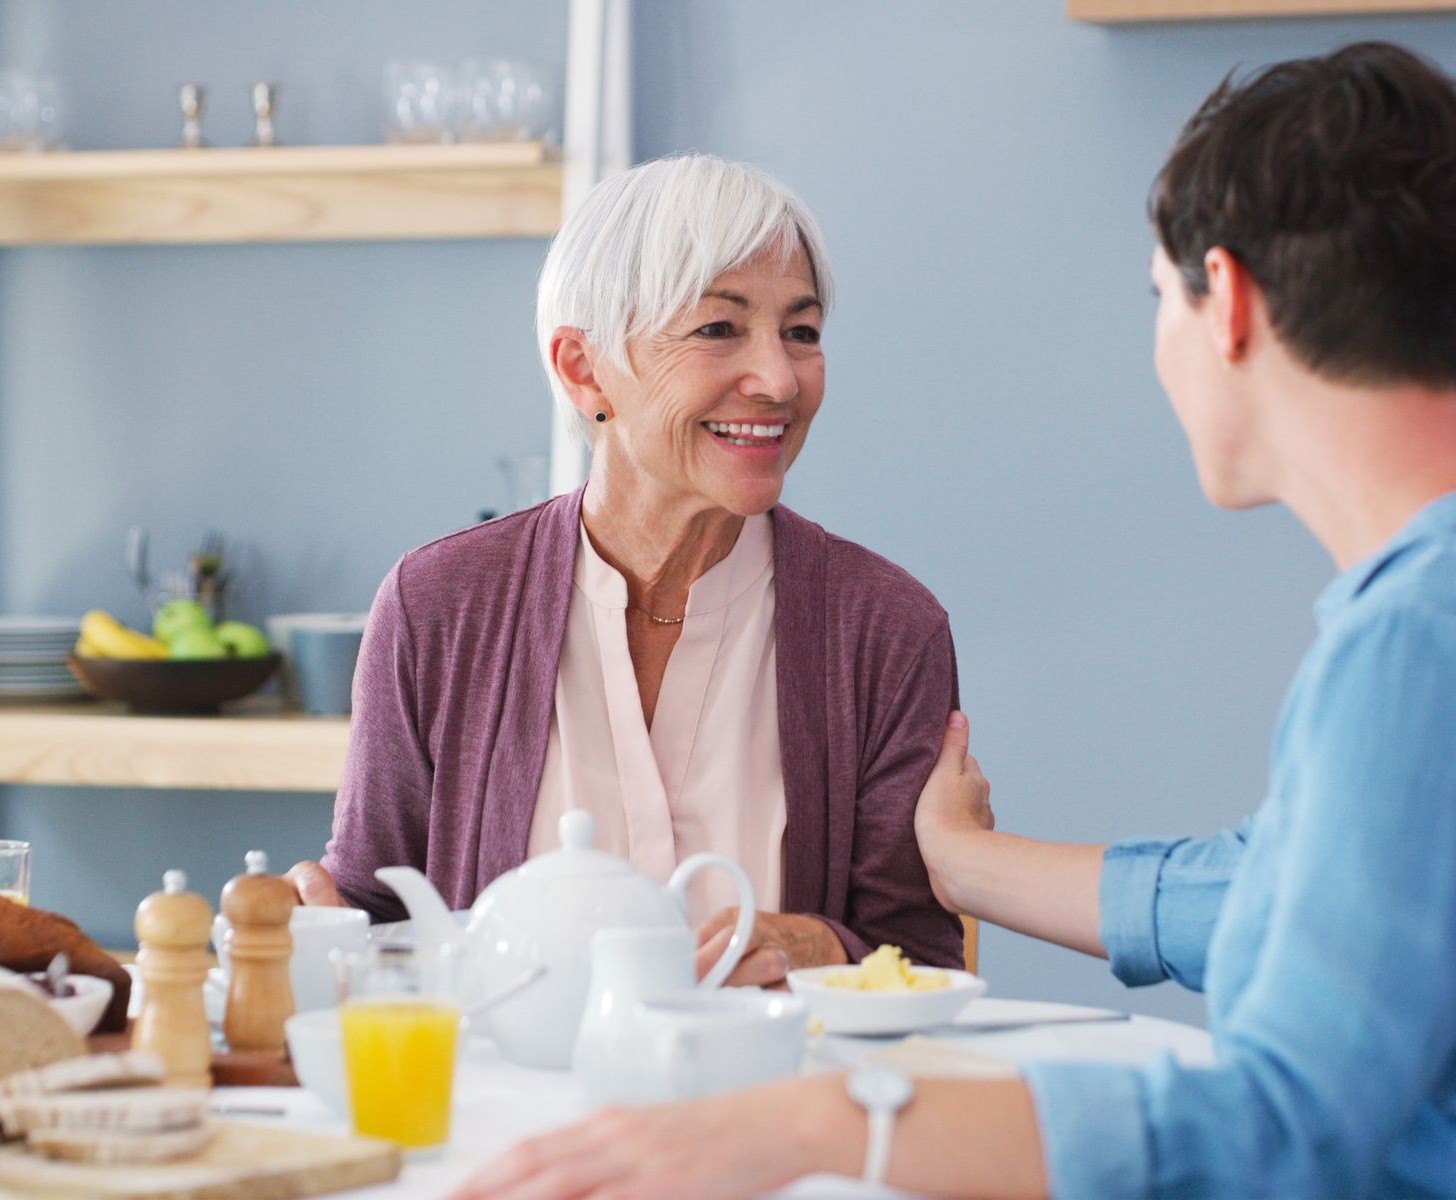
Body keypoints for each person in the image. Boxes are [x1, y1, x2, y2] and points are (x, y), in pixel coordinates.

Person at [451, 41, 1456, 1199]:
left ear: (1231, 304)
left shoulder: (1424, 648)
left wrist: (824, 1121)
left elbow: (1284, 1123)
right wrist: (968, 862)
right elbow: (1280, 894)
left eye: (1159, 299)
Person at [287, 154, 968, 983]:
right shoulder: (438, 606)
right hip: (508, 1108)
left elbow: (923, 961)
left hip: (775, 1105)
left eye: (801, 330)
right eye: (719, 329)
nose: (780, 378)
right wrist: (314, 931)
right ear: (584, 368)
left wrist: (825, 951)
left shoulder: (887, 629)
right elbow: (376, 914)